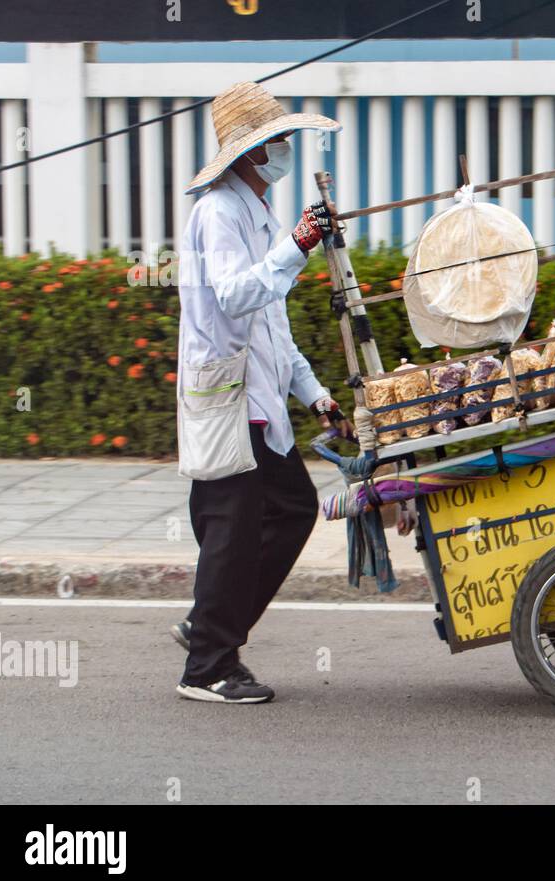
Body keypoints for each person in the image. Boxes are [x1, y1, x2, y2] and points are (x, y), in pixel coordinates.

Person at [172, 82, 353, 704]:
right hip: (229, 400)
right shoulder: (220, 212)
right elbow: (234, 295)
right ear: (250, 153)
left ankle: (210, 629)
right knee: (232, 531)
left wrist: (316, 396)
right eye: (277, 140)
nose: (284, 149)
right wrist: (296, 246)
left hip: (259, 401)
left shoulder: (258, 211)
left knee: (292, 511)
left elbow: (271, 324)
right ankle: (207, 667)